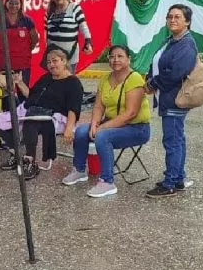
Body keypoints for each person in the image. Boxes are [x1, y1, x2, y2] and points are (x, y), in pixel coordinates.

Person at [62, 45, 151, 198]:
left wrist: (102, 127)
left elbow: (131, 113)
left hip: (137, 128)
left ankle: (107, 181)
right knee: (82, 131)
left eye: (120, 56)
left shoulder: (134, 78)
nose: (115, 60)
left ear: (128, 59)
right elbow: (98, 106)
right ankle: (79, 170)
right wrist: (95, 123)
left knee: (103, 136)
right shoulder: (105, 78)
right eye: (112, 56)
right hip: (111, 124)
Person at [0, 48, 83, 180]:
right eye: (49, 62)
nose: (51, 65)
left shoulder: (73, 82)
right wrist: (19, 82)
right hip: (35, 111)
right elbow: (31, 95)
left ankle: (30, 161)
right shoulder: (46, 77)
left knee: (30, 122)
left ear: (64, 61)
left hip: (56, 118)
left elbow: (74, 108)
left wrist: (69, 128)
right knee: (1, 120)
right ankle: (15, 154)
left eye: (55, 61)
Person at [143, 4, 198, 198]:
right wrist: (149, 78)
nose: (172, 20)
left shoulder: (186, 44)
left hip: (174, 99)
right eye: (170, 17)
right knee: (177, 139)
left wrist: (153, 83)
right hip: (167, 97)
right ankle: (178, 178)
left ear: (187, 22)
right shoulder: (172, 40)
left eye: (177, 17)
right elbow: (158, 63)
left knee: (172, 141)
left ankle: (170, 184)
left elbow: (176, 73)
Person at [0, 0, 39, 87]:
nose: (14, 6)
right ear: (6, 4)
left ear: (21, 4)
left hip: (22, 65)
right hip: (2, 65)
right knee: (4, 95)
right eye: (11, 3)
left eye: (17, 3)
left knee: (22, 94)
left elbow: (35, 39)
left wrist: (27, 50)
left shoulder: (27, 21)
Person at [44, 0, 92, 73]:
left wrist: (88, 42)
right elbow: (47, 32)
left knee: (68, 83)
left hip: (69, 56)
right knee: (54, 83)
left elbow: (83, 26)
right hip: (53, 57)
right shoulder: (50, 11)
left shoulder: (74, 7)